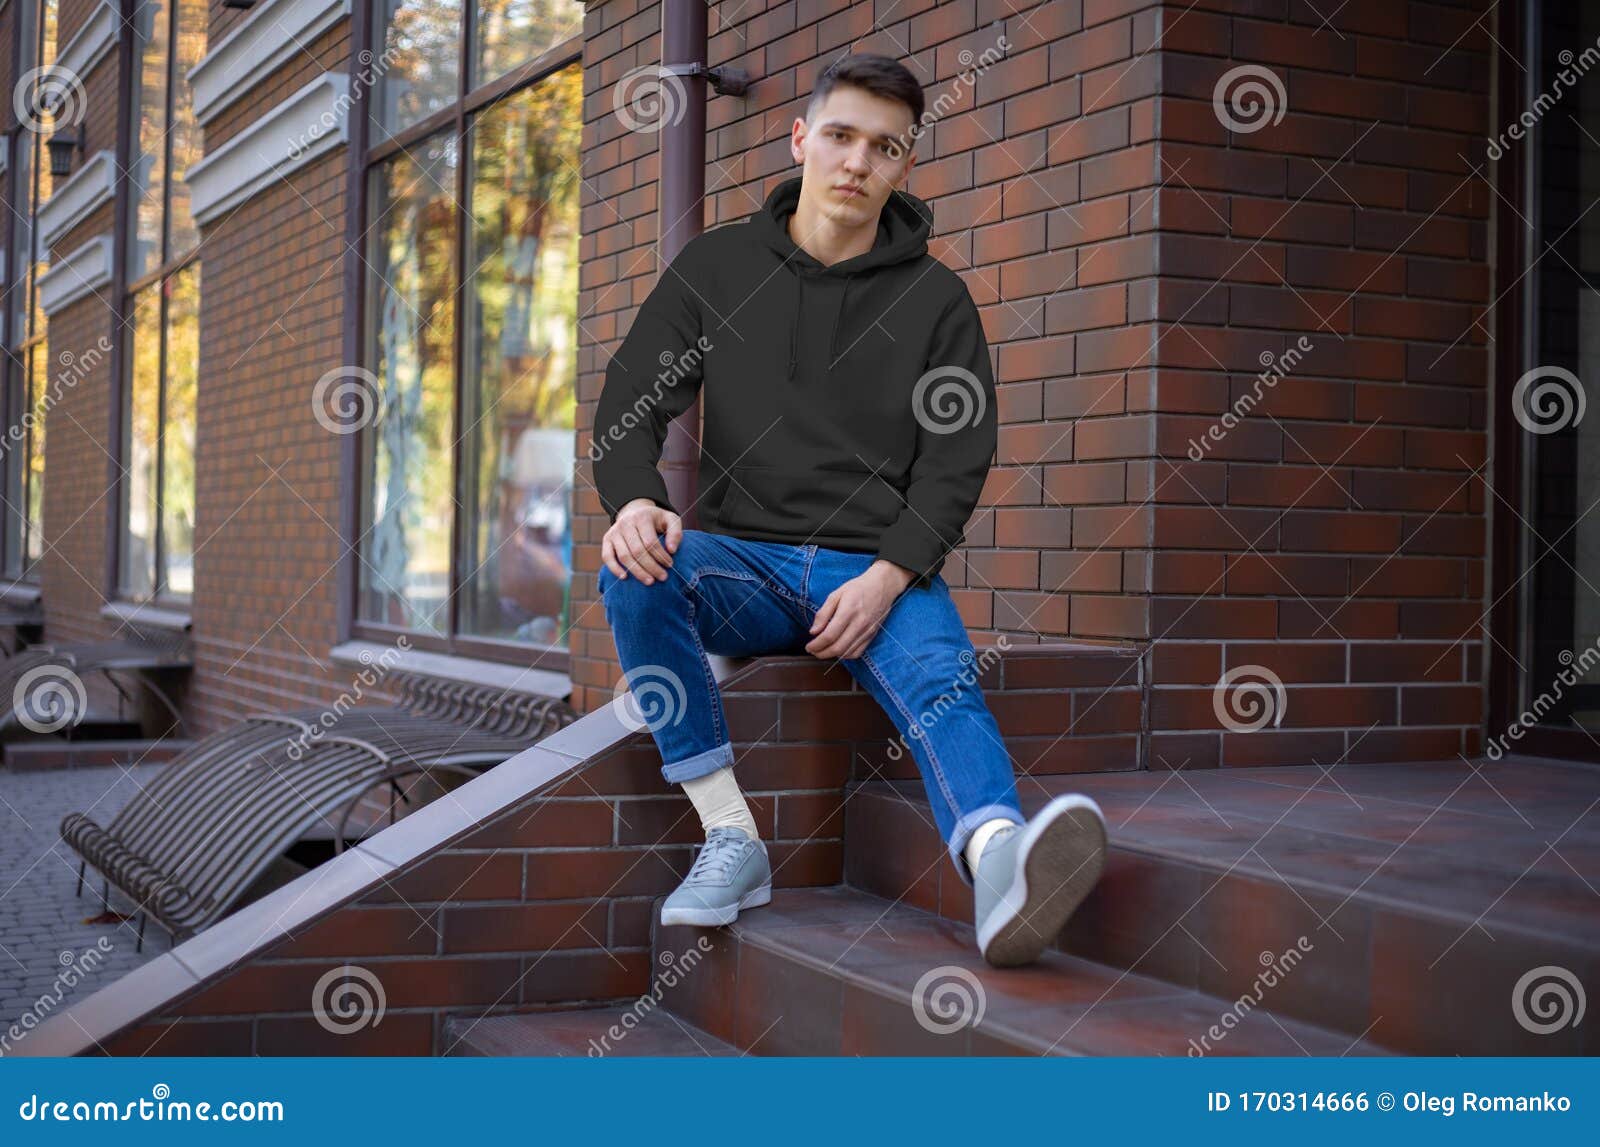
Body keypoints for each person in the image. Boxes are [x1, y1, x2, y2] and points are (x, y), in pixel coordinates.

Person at [592, 53, 1107, 967]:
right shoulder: (718, 266)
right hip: (740, 561)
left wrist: (887, 575)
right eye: (839, 136)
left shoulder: (937, 301)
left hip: (873, 569)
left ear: (905, 165)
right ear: (801, 140)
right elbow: (632, 394)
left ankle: (1001, 870)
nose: (856, 162)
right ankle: (731, 837)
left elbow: (957, 461)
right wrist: (634, 498)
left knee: (944, 679)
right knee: (632, 566)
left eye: (884, 147)